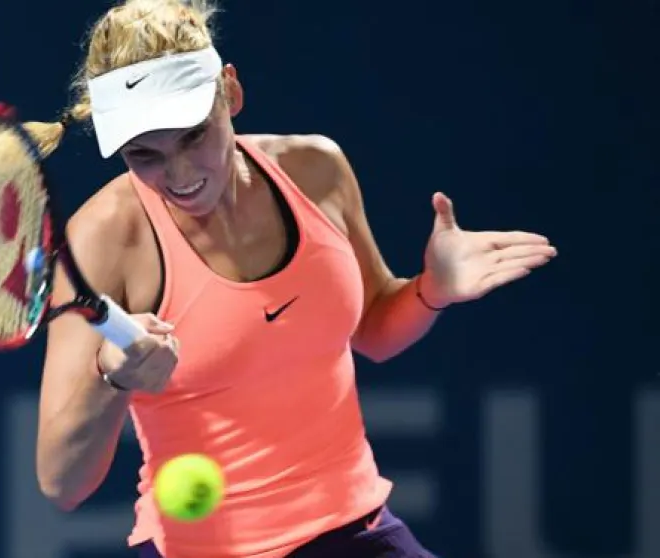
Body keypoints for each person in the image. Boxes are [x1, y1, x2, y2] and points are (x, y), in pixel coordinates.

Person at [28, 0, 556, 556]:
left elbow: (374, 329)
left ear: (229, 91)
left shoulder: (316, 168)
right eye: (145, 154)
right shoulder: (104, 238)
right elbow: (61, 482)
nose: (179, 175)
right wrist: (114, 379)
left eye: (193, 136)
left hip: (358, 529)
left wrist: (431, 290)